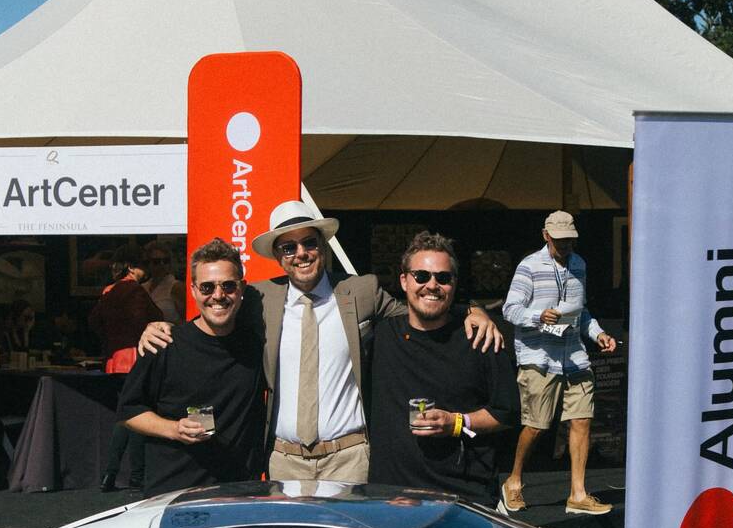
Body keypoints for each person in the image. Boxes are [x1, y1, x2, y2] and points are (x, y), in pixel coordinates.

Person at [139, 200, 502, 485]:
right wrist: (162, 327)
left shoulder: (361, 291)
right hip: (284, 460)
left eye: (309, 243)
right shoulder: (257, 298)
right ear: (279, 257)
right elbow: (215, 308)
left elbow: (423, 306)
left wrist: (472, 310)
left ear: (322, 246)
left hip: (350, 457)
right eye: (288, 248)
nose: (301, 254)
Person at [368, 232, 519, 505]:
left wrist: (457, 423)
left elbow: (507, 414)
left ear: (454, 284)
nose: (432, 285)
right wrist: (473, 308)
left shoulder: (482, 338)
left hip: (462, 500)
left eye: (443, 278)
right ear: (404, 281)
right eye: (422, 276)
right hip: (392, 498)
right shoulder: (380, 336)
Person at [117, 237, 264, 497]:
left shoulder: (255, 344)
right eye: (207, 287)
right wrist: (174, 429)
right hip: (175, 494)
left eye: (228, 286)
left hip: (239, 493)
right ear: (194, 290)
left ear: (241, 289)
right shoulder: (164, 343)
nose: (218, 296)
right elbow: (129, 411)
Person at [501, 211, 617, 517]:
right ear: (546, 235)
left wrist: (599, 334)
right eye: (560, 240)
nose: (566, 246)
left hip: (574, 355)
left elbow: (581, 312)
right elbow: (510, 310)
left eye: (570, 240)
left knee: (581, 420)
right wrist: (538, 316)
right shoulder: (530, 266)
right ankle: (513, 481)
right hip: (539, 356)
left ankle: (578, 493)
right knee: (537, 426)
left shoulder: (579, 265)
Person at [89, 248, 163, 493]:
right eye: (144, 265)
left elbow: (94, 322)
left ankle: (112, 473)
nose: (148, 270)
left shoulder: (108, 291)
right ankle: (134, 475)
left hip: (114, 360)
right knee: (137, 416)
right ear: (132, 267)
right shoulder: (135, 291)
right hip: (135, 358)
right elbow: (153, 318)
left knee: (125, 416)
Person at [143, 242, 184, 324]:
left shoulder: (177, 287)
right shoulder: (143, 287)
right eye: (156, 261)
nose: (162, 265)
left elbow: (187, 321)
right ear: (148, 264)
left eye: (166, 261)